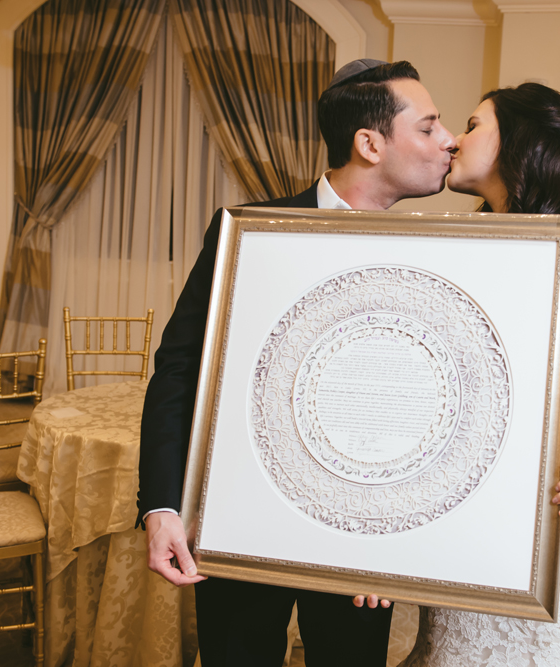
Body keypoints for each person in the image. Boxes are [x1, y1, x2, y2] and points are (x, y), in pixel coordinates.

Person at [136, 58, 455, 667]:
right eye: (429, 127)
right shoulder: (246, 232)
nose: (449, 142)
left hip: (362, 545)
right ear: (369, 143)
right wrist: (162, 505)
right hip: (237, 519)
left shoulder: (435, 257)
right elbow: (179, 369)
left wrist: (401, 541)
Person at [400, 83, 560, 667]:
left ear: (517, 142)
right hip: (468, 520)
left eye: (471, 125)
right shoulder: (456, 250)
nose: (454, 141)